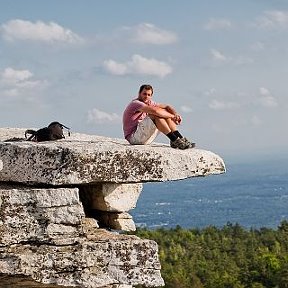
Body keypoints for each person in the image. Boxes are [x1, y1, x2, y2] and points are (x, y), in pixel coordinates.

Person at [122, 84, 195, 149]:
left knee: (164, 113)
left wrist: (175, 115)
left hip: (145, 138)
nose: (146, 96)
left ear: (151, 96)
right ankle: (174, 139)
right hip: (134, 138)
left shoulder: (150, 103)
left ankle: (179, 138)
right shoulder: (136, 103)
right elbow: (155, 112)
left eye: (149, 95)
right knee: (155, 114)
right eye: (144, 94)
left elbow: (166, 106)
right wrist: (173, 117)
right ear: (139, 94)